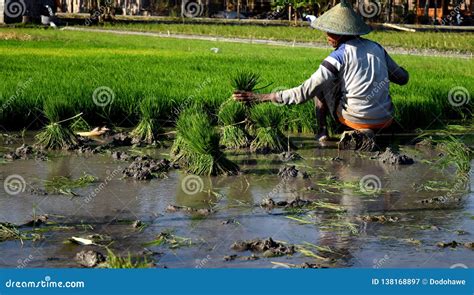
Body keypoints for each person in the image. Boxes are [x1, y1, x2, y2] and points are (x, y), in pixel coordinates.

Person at [233, 0, 409, 142]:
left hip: (354, 121)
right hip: (385, 121)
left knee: (321, 86)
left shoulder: (337, 57)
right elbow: (402, 78)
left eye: (329, 32)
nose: (327, 37)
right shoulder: (377, 48)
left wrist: (261, 97)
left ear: (340, 33)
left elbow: (303, 93)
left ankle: (322, 132)